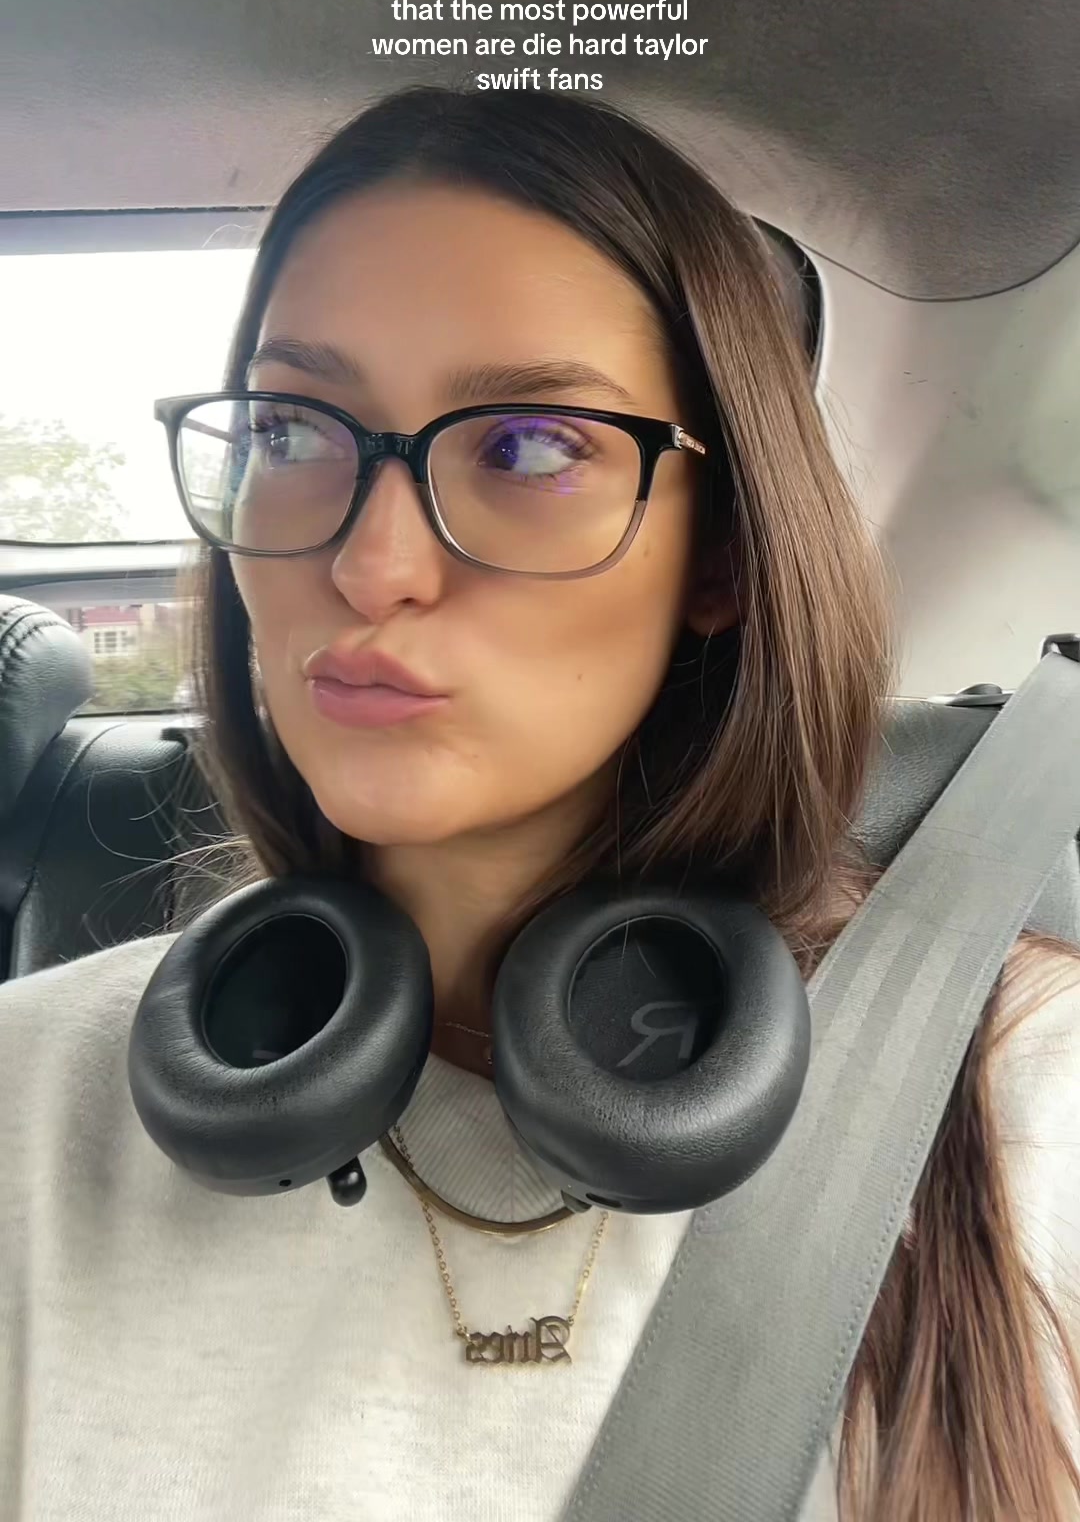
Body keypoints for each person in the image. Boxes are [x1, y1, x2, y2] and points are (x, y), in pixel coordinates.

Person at [1, 84, 1079, 1522]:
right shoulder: (27, 1110)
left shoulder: (1031, 1106)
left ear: (722, 556)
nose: (372, 567)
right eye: (295, 430)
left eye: (530, 447)